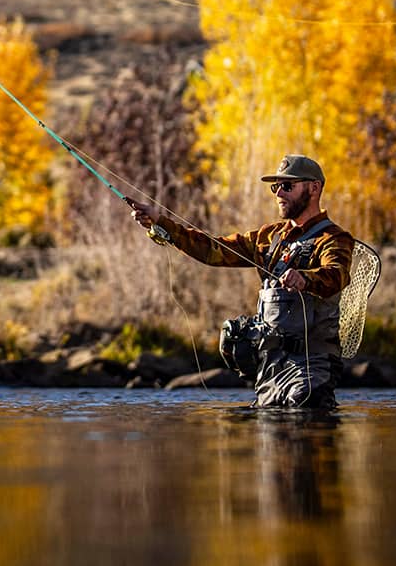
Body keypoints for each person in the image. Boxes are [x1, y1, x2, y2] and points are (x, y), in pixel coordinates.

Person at [126, 154, 354, 409]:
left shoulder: (334, 239)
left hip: (314, 367)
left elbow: (337, 275)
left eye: (287, 186)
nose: (279, 193)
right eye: (275, 186)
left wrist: (306, 278)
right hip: (271, 368)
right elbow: (214, 250)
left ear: (314, 188)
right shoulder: (269, 237)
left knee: (306, 426)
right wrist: (161, 222)